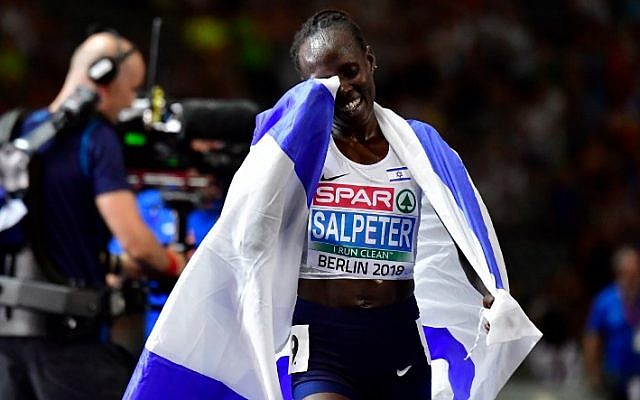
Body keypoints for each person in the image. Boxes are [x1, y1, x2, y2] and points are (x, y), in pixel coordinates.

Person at [124, 10, 540, 400]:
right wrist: (296, 118)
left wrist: (488, 291)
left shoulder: (417, 146)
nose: (345, 88)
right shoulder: (298, 154)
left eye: (351, 71)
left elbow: (459, 226)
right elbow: (251, 221)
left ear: (370, 61)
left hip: (397, 335)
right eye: (326, 83)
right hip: (321, 338)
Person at [0, 31, 184, 400]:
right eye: (131, 89)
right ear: (103, 77)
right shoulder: (95, 137)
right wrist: (173, 264)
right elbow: (137, 242)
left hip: (5, 349)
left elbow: (45, 237)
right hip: (65, 350)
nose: (131, 102)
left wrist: (115, 264)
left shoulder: (11, 129)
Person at [584, 245, 640, 400]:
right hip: (614, 375)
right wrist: (593, 373)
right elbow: (592, 338)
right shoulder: (605, 300)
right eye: (629, 273)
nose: (633, 277)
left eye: (636, 272)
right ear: (619, 272)